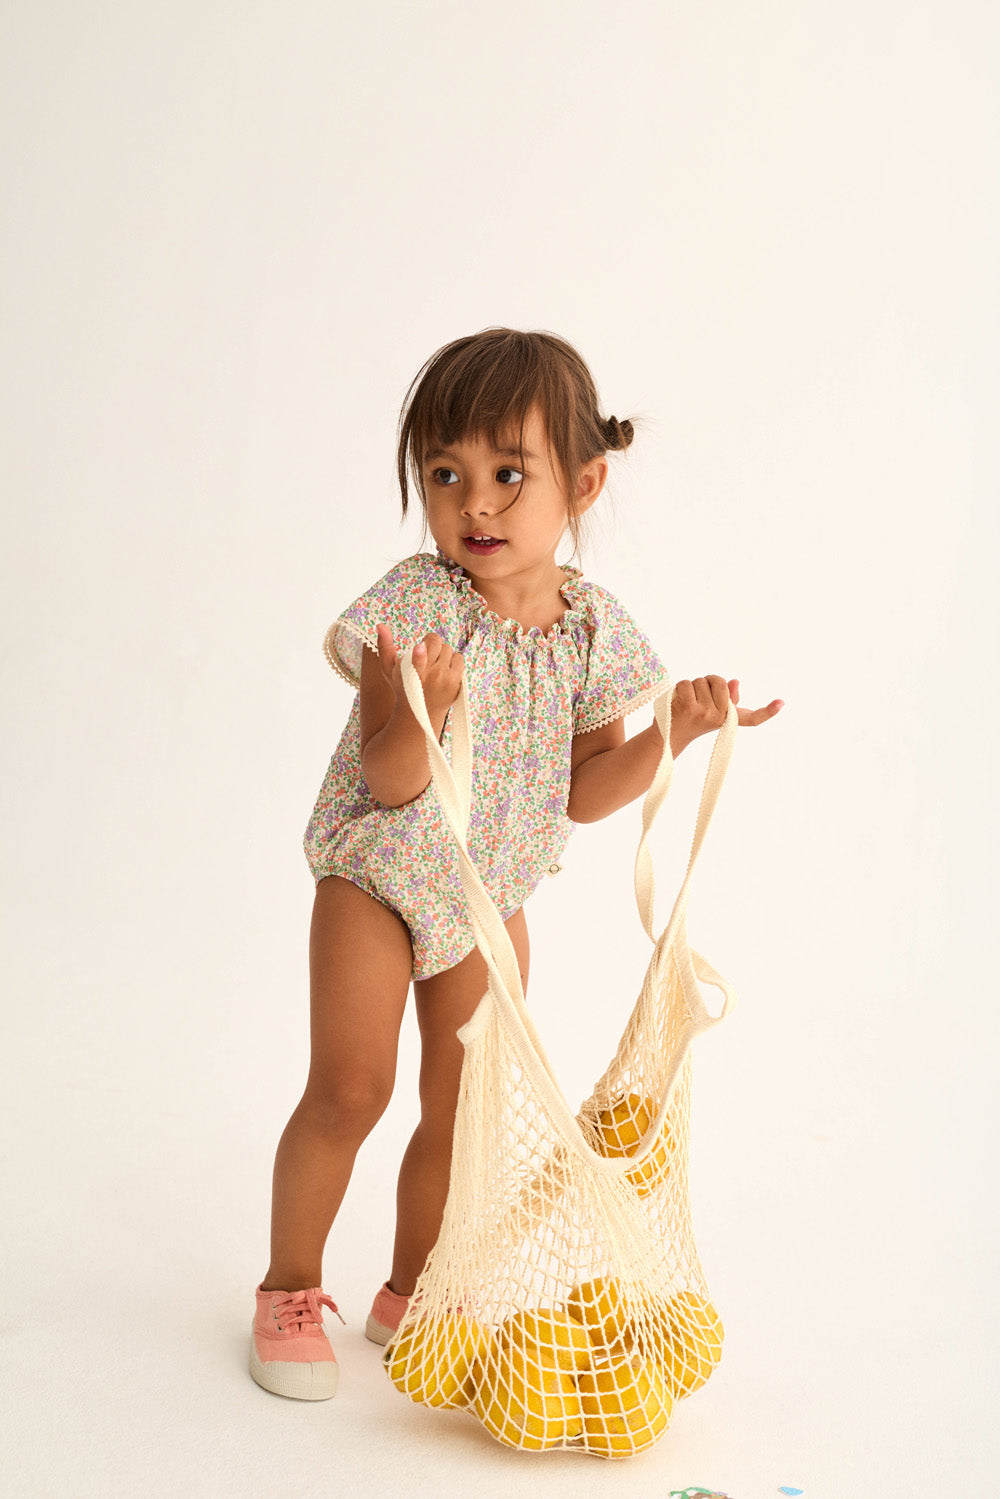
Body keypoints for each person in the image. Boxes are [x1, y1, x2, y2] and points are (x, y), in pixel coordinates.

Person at [249, 327, 784, 1400]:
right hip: (379, 878)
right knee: (353, 1086)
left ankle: (414, 1286)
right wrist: (423, 707)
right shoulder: (415, 607)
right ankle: (289, 1287)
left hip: (488, 899)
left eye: (506, 474)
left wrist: (666, 736)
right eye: (445, 476)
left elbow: (581, 792)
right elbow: (392, 780)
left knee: (461, 1109)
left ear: (580, 483)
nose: (474, 505)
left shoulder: (594, 632)